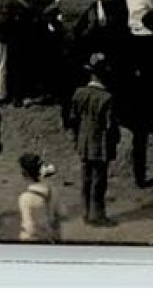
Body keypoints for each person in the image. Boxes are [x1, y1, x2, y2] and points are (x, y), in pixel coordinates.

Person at [66, 53, 120, 226]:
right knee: (99, 180)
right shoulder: (107, 98)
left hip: (83, 139)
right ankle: (97, 214)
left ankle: (85, 212)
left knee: (86, 178)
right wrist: (115, 139)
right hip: (101, 142)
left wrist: (77, 136)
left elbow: (72, 118)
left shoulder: (79, 93)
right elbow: (110, 125)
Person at [16, 152, 62, 242]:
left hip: (34, 240)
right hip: (51, 238)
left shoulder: (25, 198)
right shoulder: (52, 190)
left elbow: (29, 227)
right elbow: (63, 213)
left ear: (24, 174)